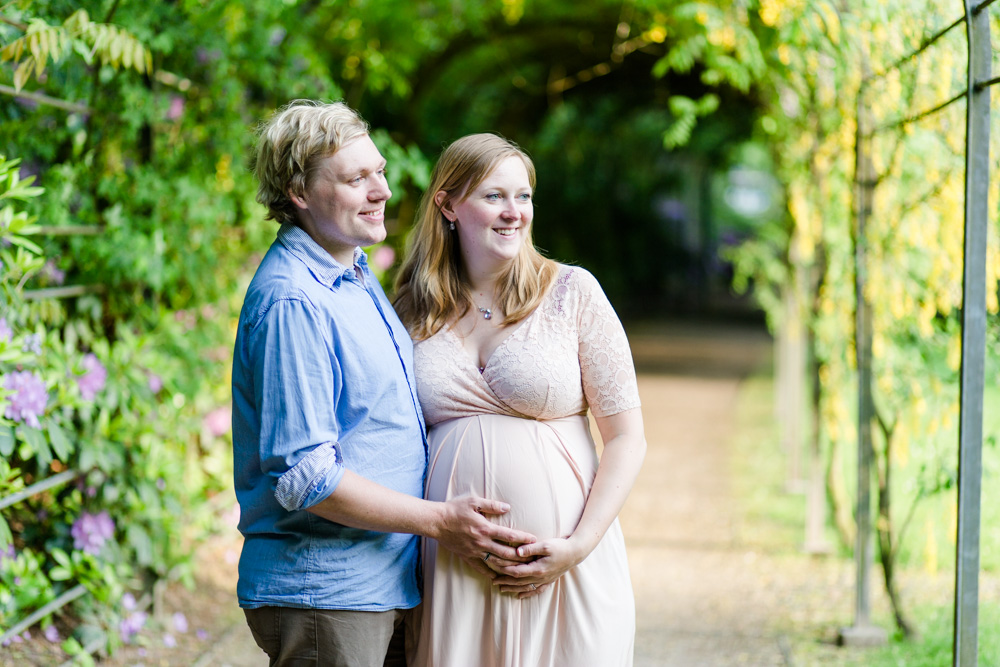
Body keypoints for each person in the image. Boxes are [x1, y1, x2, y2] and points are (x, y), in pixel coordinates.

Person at [231, 102, 537, 667]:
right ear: (299, 192)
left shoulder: (351, 273)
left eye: (380, 172)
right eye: (356, 179)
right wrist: (440, 521)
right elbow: (305, 476)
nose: (382, 192)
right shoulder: (295, 300)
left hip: (378, 585)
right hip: (327, 594)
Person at [393, 133, 647, 667]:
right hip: (450, 569)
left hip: (565, 566)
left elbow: (627, 437)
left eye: (524, 196)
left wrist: (577, 548)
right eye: (494, 196)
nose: (515, 213)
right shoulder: (412, 308)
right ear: (447, 204)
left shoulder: (573, 293)